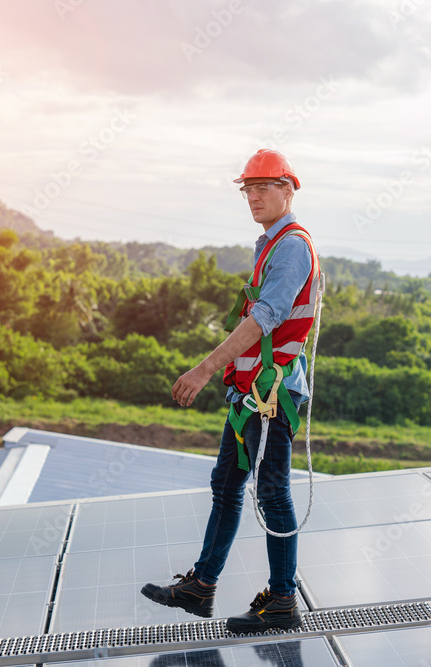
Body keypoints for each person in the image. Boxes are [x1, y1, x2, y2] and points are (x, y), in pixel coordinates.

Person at [141, 149, 320, 634]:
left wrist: (202, 370)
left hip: (270, 395)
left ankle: (283, 599)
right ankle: (202, 585)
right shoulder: (271, 242)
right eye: (249, 189)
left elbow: (266, 317)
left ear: (289, 189)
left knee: (272, 493)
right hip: (250, 395)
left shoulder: (292, 246)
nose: (254, 197)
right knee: (226, 485)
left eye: (264, 187)